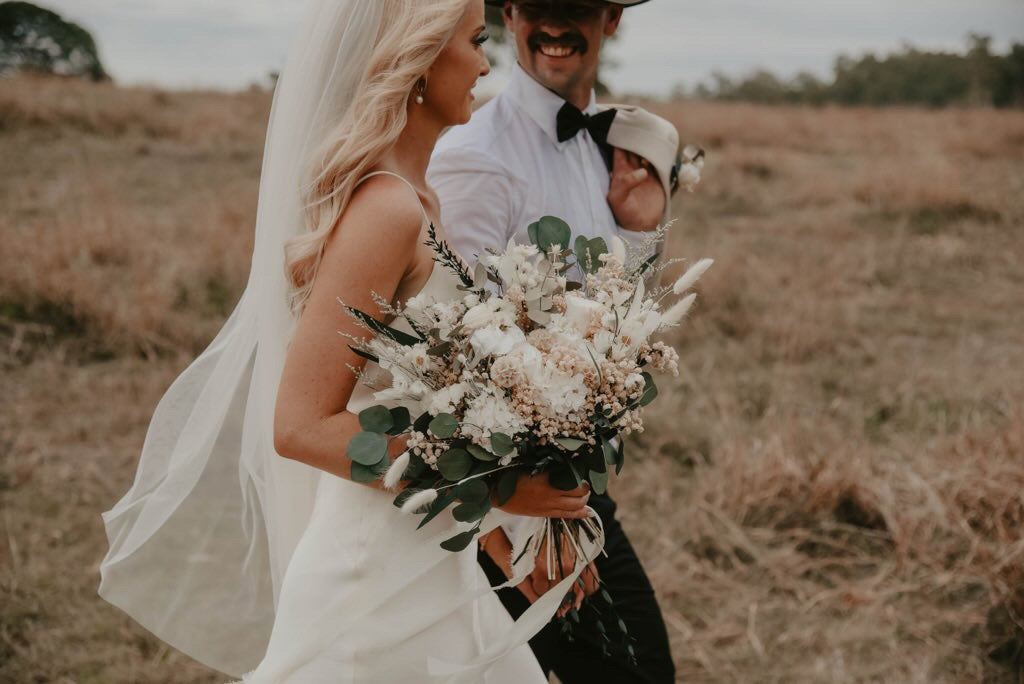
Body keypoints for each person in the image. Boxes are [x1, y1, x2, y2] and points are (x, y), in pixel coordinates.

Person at [97, 1, 599, 681]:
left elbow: (427, 405)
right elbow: (301, 426)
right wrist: (495, 487)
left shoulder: (425, 203)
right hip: (371, 582)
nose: (487, 62)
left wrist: (501, 528)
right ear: (418, 59)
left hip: (431, 559)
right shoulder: (386, 211)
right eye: (476, 42)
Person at [429, 1, 678, 681]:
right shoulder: (475, 158)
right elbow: (446, 354)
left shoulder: (615, 149)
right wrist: (504, 526)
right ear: (510, 13)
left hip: (576, 486)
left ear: (612, 19)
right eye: (539, 4)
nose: (556, 24)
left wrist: (639, 232)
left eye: (578, 5)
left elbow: (613, 320)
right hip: (506, 499)